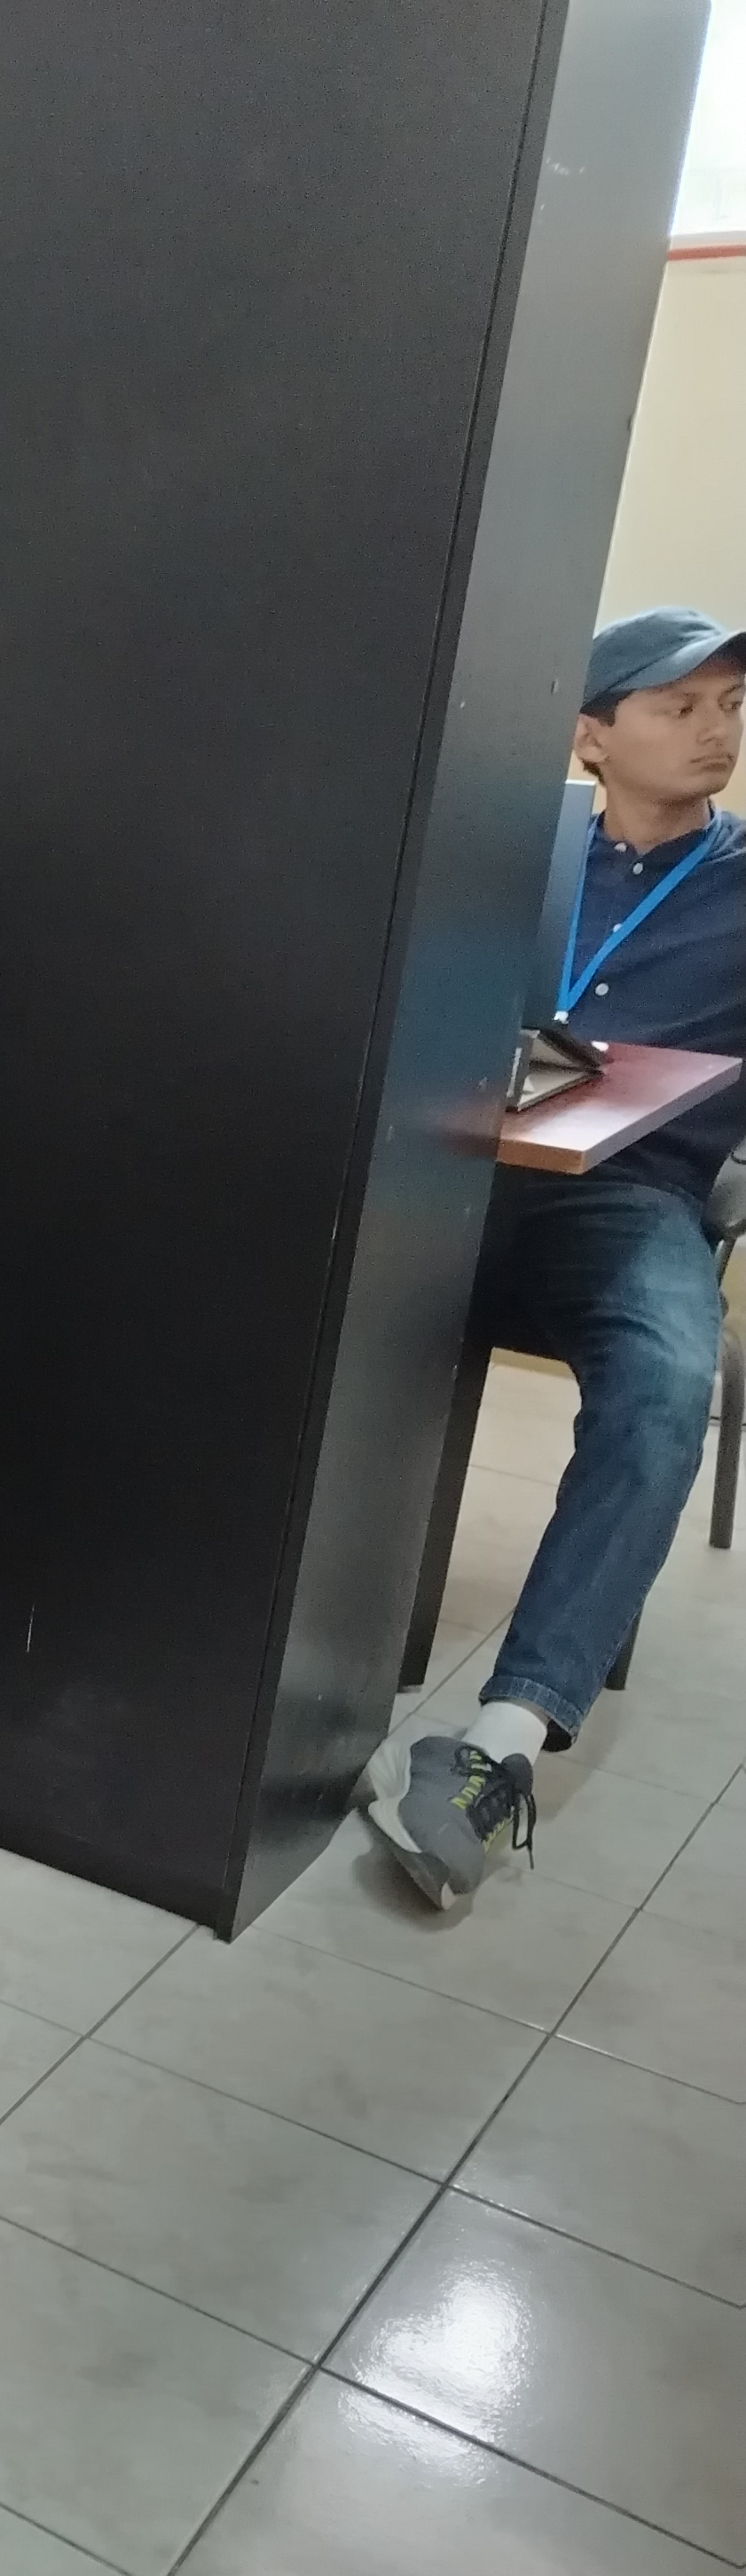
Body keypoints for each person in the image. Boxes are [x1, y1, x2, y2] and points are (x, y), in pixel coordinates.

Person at [374, 608, 746, 1911]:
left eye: (730, 707)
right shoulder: (500, 841)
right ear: (592, 736)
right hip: (441, 1178)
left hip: (622, 1203)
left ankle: (503, 1739)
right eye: (678, 706)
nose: (716, 730)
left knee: (665, 1383)